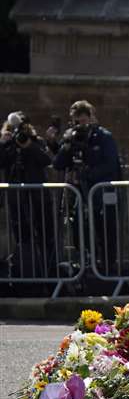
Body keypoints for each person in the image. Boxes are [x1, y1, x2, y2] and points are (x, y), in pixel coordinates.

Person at [52, 101, 122, 278]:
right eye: (77, 121)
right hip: (80, 196)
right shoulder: (72, 137)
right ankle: (86, 266)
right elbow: (58, 164)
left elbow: (111, 165)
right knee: (79, 231)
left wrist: (87, 170)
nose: (81, 125)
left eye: (84, 120)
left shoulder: (104, 137)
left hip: (101, 194)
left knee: (105, 231)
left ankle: (107, 269)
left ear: (92, 118)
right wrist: (67, 145)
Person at [1, 112, 55, 278]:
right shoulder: (8, 145)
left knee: (45, 234)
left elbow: (46, 160)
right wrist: (2, 144)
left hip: (38, 197)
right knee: (22, 237)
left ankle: (48, 272)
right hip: (16, 198)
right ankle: (25, 273)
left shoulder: (35, 141)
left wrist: (28, 146)